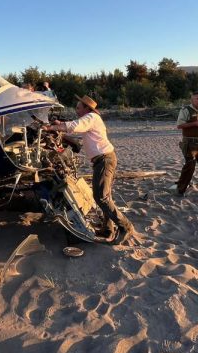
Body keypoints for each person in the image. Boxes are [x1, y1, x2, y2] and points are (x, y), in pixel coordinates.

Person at [45, 94, 135, 244]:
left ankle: (126, 227)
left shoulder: (91, 117)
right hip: (104, 159)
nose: (77, 110)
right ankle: (108, 229)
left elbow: (74, 126)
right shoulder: (90, 119)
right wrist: (60, 123)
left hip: (104, 160)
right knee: (105, 196)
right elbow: (75, 125)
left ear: (87, 108)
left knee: (101, 197)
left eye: (79, 107)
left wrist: (51, 127)